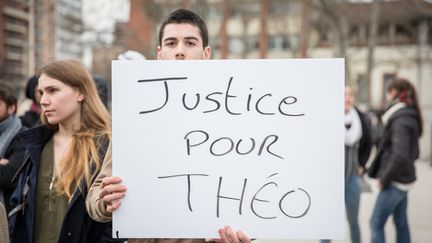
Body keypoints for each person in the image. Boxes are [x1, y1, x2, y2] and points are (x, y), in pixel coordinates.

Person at [86, 9, 250, 243]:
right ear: (160, 54)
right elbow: (95, 197)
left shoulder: (234, 121)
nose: (180, 51)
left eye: (190, 43)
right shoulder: (134, 119)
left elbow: (248, 200)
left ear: (206, 54)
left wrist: (239, 237)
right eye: (171, 43)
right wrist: (104, 201)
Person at [8, 60, 122, 243]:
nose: (44, 100)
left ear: (80, 92)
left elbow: (116, 220)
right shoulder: (37, 144)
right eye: (41, 92)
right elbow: (19, 210)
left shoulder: (108, 145)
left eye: (53, 90)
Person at [368, 78, 422, 243]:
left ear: (396, 94)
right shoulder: (407, 115)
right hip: (403, 180)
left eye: (389, 92)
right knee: (401, 223)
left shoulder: (401, 119)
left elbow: (400, 155)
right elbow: (414, 153)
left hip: (395, 182)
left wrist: (384, 179)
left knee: (375, 224)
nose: (387, 96)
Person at [321, 86, 372, 243]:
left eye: (350, 95)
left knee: (354, 222)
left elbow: (368, 143)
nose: (347, 98)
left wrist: (362, 164)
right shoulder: (328, 118)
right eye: (344, 95)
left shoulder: (361, 119)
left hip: (352, 178)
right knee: (327, 224)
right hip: (331, 180)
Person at [0, 81, 26, 213]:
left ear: (11, 108)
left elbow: (9, 176)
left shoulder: (23, 135)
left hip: (8, 214)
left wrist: (5, 170)